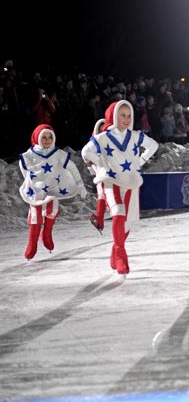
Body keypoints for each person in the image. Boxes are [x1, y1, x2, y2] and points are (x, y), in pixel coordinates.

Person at [81, 100, 159, 276]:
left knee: (126, 224)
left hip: (131, 182)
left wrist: (140, 161)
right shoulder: (103, 138)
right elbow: (86, 152)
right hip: (111, 182)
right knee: (118, 212)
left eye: (129, 115)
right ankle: (122, 255)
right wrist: (102, 165)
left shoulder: (134, 135)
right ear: (113, 116)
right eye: (122, 115)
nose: (126, 118)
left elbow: (153, 146)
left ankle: (115, 251)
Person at [19, 124, 88, 260]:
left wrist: (79, 184)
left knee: (51, 213)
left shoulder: (57, 154)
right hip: (36, 192)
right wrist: (30, 182)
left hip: (52, 190)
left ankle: (46, 233)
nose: (47, 140)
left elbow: (72, 166)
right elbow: (25, 170)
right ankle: (32, 244)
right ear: (37, 138)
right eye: (43, 137)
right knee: (35, 218)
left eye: (50, 137)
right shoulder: (30, 155)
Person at [83, 118, 107, 234]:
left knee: (103, 197)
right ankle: (99, 219)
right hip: (102, 175)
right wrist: (91, 169)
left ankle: (100, 220)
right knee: (102, 196)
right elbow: (85, 155)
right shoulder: (93, 144)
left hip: (111, 175)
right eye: (101, 130)